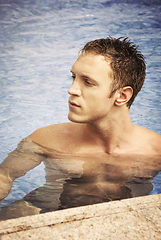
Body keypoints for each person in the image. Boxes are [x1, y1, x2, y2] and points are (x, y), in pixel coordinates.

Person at [0, 37, 161, 219]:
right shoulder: (47, 140)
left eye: (88, 82)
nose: (72, 89)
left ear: (122, 96)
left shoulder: (155, 151)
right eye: (73, 77)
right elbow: (4, 174)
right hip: (45, 210)